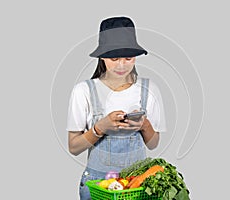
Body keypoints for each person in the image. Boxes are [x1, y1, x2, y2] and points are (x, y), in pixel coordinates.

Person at [66, 16, 166, 200]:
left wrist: (144, 125)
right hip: (97, 186)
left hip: (137, 186)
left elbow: (153, 144)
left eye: (128, 58)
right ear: (102, 56)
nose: (121, 65)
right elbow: (73, 147)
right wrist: (100, 128)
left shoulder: (149, 90)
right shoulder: (84, 91)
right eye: (114, 58)